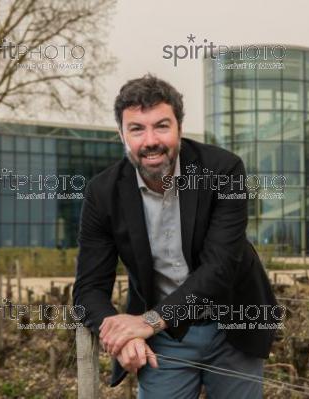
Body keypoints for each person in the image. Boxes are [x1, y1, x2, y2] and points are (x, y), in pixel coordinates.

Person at [72, 74, 279, 398]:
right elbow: (88, 289)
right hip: (164, 339)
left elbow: (219, 268)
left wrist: (148, 322)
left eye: (161, 126)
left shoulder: (223, 170)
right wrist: (121, 333)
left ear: (179, 128)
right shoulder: (102, 193)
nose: (150, 140)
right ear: (121, 135)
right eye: (137, 129)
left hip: (233, 325)